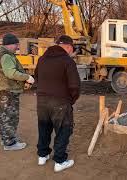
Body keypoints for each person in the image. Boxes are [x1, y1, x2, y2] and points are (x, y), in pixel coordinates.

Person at [35, 35, 80, 172]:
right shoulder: (67, 61)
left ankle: (42, 155)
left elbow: (36, 78)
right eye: (72, 48)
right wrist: (70, 100)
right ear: (68, 46)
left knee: (44, 127)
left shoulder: (42, 59)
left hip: (41, 101)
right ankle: (60, 161)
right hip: (60, 102)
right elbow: (75, 86)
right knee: (63, 130)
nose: (72, 51)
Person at [0, 33, 34, 151]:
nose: (17, 47)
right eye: (16, 44)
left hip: (3, 90)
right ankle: (10, 143)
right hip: (8, 91)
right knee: (10, 117)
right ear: (9, 44)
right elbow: (11, 73)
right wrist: (26, 77)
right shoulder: (6, 56)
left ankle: (6, 140)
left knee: (4, 117)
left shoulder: (2, 53)